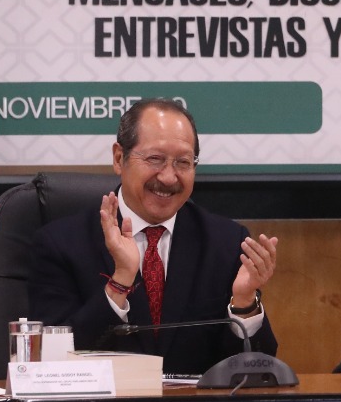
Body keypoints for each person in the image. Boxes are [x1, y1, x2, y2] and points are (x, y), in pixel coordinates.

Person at [29, 98, 278, 374]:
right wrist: (119, 283)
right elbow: (52, 364)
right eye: (155, 159)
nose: (169, 177)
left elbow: (254, 373)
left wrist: (244, 303)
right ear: (118, 158)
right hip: (104, 401)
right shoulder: (60, 244)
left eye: (183, 162)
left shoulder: (226, 243)